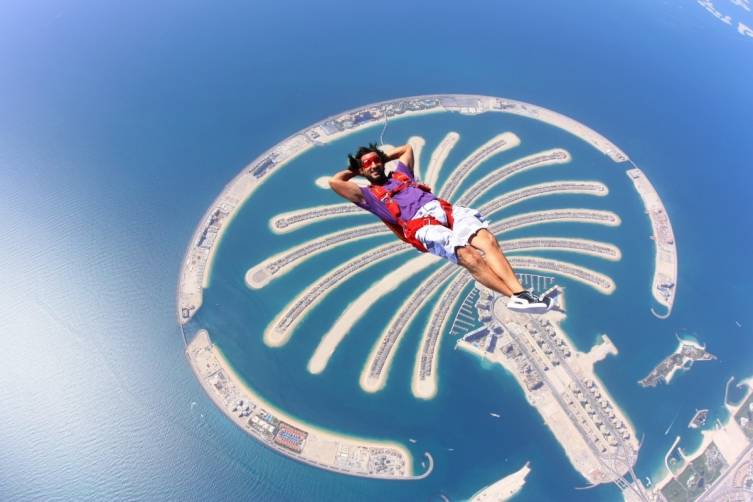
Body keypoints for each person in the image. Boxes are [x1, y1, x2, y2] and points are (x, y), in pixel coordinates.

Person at [329, 142, 553, 313]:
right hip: (421, 225)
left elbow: (407, 149)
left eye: (375, 161)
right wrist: (358, 169)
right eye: (367, 164)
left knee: (488, 241)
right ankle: (512, 297)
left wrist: (380, 157)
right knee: (470, 257)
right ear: (362, 170)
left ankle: (522, 294)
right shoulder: (368, 195)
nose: (374, 165)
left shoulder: (401, 175)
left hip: (444, 209)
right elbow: (335, 182)